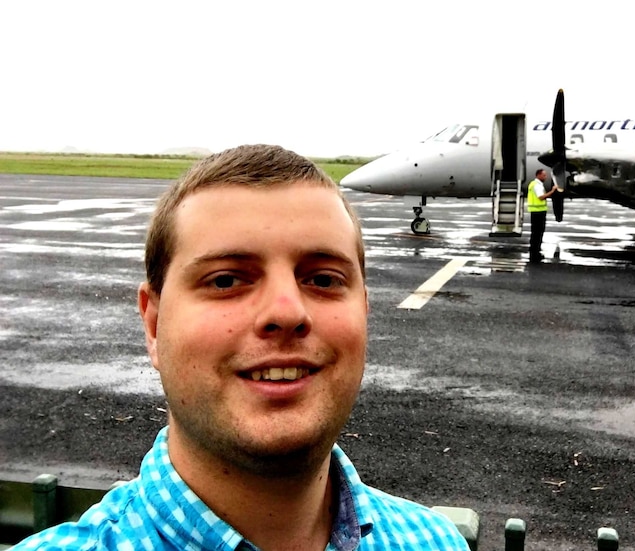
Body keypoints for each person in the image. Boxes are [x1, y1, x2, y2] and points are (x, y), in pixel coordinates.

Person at [12, 144, 469, 551]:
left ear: (365, 311)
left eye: (324, 279)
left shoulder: (436, 542)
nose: (288, 312)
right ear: (153, 324)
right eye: (226, 280)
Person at [526, 168, 559, 263]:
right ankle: (535, 254)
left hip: (536, 212)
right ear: (538, 175)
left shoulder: (535, 184)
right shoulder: (537, 185)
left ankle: (534, 252)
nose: (545, 177)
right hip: (538, 212)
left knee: (536, 233)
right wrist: (552, 191)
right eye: (544, 175)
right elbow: (541, 197)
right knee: (537, 233)